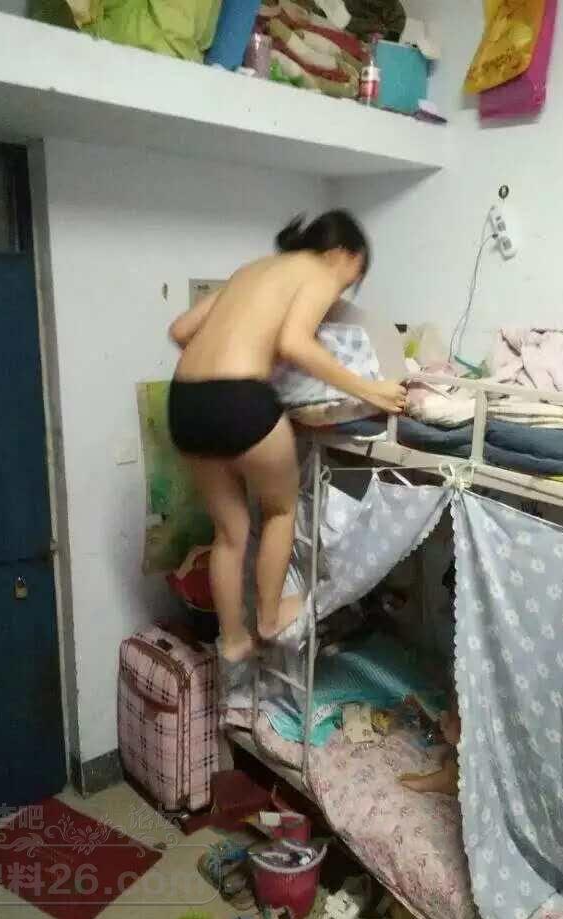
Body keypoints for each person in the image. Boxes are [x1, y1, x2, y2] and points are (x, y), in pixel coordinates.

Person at [168, 210, 406, 662]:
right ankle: (269, 617)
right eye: (352, 277)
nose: (342, 290)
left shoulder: (250, 271)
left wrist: (228, 351)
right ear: (343, 253)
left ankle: (232, 639)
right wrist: (369, 389)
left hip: (184, 402)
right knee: (280, 508)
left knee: (230, 532)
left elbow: (180, 331)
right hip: (239, 398)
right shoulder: (317, 269)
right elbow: (295, 343)